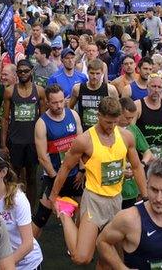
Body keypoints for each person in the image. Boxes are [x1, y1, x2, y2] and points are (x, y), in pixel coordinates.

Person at [49, 96, 148, 266]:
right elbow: (65, 168)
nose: (111, 127)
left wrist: (146, 197)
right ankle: (66, 215)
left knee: (111, 258)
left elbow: (138, 167)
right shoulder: (85, 140)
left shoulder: (126, 137)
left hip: (117, 200)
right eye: (108, 122)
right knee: (81, 257)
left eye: (115, 122)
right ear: (98, 116)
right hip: (94, 201)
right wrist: (53, 196)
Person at [30, 85, 82, 237]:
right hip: (54, 176)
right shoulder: (42, 123)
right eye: (55, 103)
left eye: (61, 101)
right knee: (41, 217)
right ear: (47, 102)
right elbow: (42, 157)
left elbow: (82, 146)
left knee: (84, 212)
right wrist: (55, 178)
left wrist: (82, 169)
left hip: (75, 175)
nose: (59, 105)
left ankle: (78, 245)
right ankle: (28, 253)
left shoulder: (73, 115)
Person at [0, 150, 44, 270]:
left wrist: (3, 266)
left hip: (27, 265)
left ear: (3, 172)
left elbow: (28, 244)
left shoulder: (18, 199)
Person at [0, 62, 43, 206]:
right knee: (13, 177)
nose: (23, 74)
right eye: (20, 72)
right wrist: (3, 143)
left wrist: (44, 143)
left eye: (25, 71)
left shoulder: (40, 91)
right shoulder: (10, 91)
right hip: (15, 140)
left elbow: (43, 120)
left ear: (31, 71)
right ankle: (11, 205)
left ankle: (30, 209)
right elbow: (5, 119)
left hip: (32, 141)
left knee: (31, 177)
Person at [116, 97, 153, 210]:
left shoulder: (133, 128)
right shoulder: (109, 130)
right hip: (114, 188)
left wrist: (141, 164)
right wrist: (121, 171)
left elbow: (147, 152)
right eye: (127, 117)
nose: (130, 121)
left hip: (131, 188)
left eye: (132, 117)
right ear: (118, 113)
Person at [68, 58, 119, 131]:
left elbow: (117, 112)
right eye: (92, 73)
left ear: (102, 73)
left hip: (103, 130)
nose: (94, 77)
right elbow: (70, 108)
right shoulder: (78, 88)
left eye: (97, 73)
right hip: (84, 130)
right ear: (87, 72)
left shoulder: (110, 89)